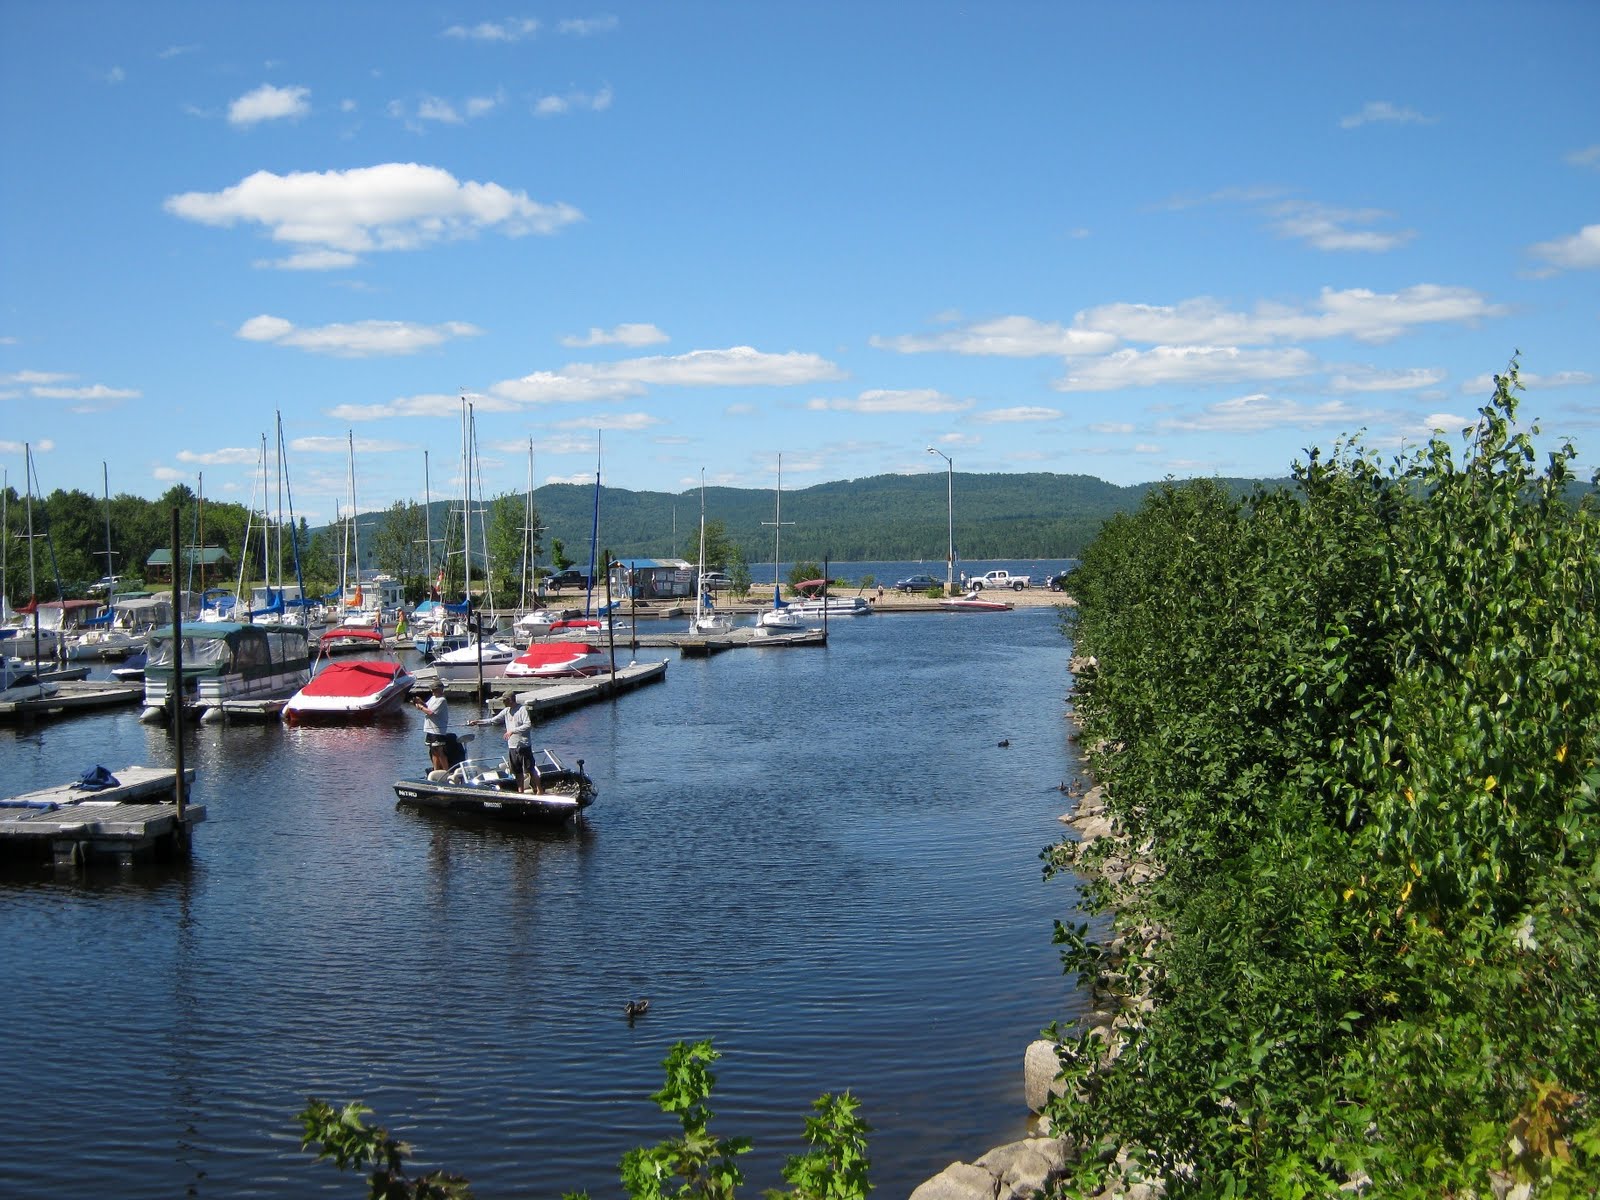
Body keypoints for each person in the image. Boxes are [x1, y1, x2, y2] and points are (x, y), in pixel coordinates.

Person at [470, 699, 536, 792]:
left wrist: (513, 731)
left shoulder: (522, 709)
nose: (503, 703)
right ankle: (520, 792)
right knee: (517, 772)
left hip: (524, 746)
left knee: (530, 770)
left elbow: (528, 725)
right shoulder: (506, 711)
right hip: (512, 747)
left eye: (505, 701)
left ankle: (539, 790)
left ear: (510, 700)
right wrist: (477, 722)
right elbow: (493, 720)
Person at [413, 681, 451, 772]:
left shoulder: (442, 700)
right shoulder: (433, 697)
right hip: (430, 729)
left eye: (434, 690)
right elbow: (427, 706)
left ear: (440, 690)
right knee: (433, 752)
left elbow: (430, 712)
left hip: (437, 730)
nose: (432, 691)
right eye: (432, 689)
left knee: (440, 751)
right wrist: (420, 702)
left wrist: (420, 707)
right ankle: (436, 770)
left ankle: (446, 771)